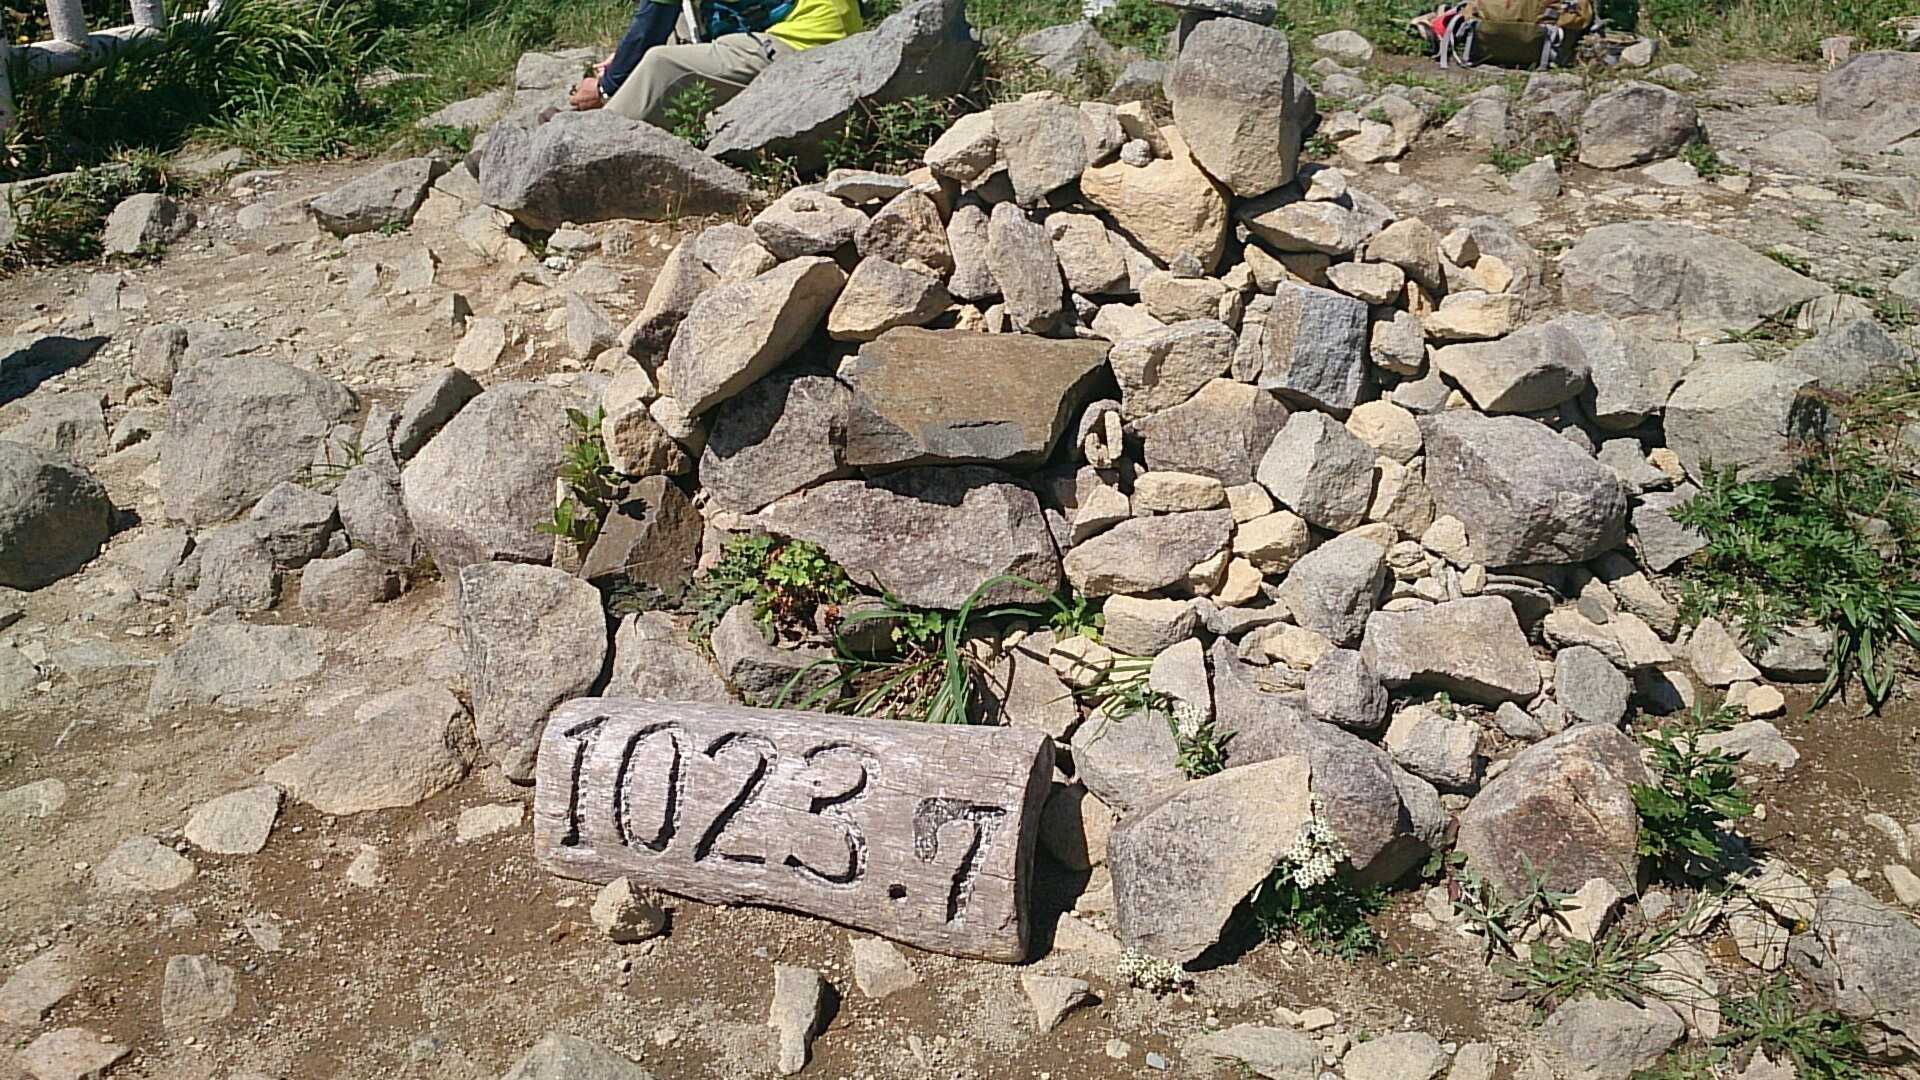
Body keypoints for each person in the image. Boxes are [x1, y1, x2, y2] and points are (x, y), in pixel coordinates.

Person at [568, 0, 863, 129]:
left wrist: (606, 87)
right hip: (831, 29)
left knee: (661, 63)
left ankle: (589, 144)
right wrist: (625, 57)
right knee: (676, 29)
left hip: (803, 43)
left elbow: (651, 25)